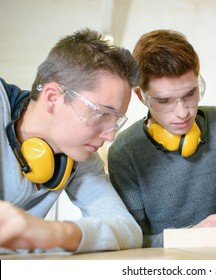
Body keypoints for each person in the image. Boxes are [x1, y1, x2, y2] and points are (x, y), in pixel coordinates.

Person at [107, 29, 216, 247]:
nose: (182, 112)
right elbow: (131, 242)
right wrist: (190, 236)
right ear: (142, 97)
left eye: (190, 94)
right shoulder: (124, 151)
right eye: (164, 100)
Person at [0, 28, 142, 254]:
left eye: (115, 121)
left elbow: (127, 229)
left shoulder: (79, 155)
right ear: (52, 98)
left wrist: (57, 233)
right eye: (101, 113)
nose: (110, 135)